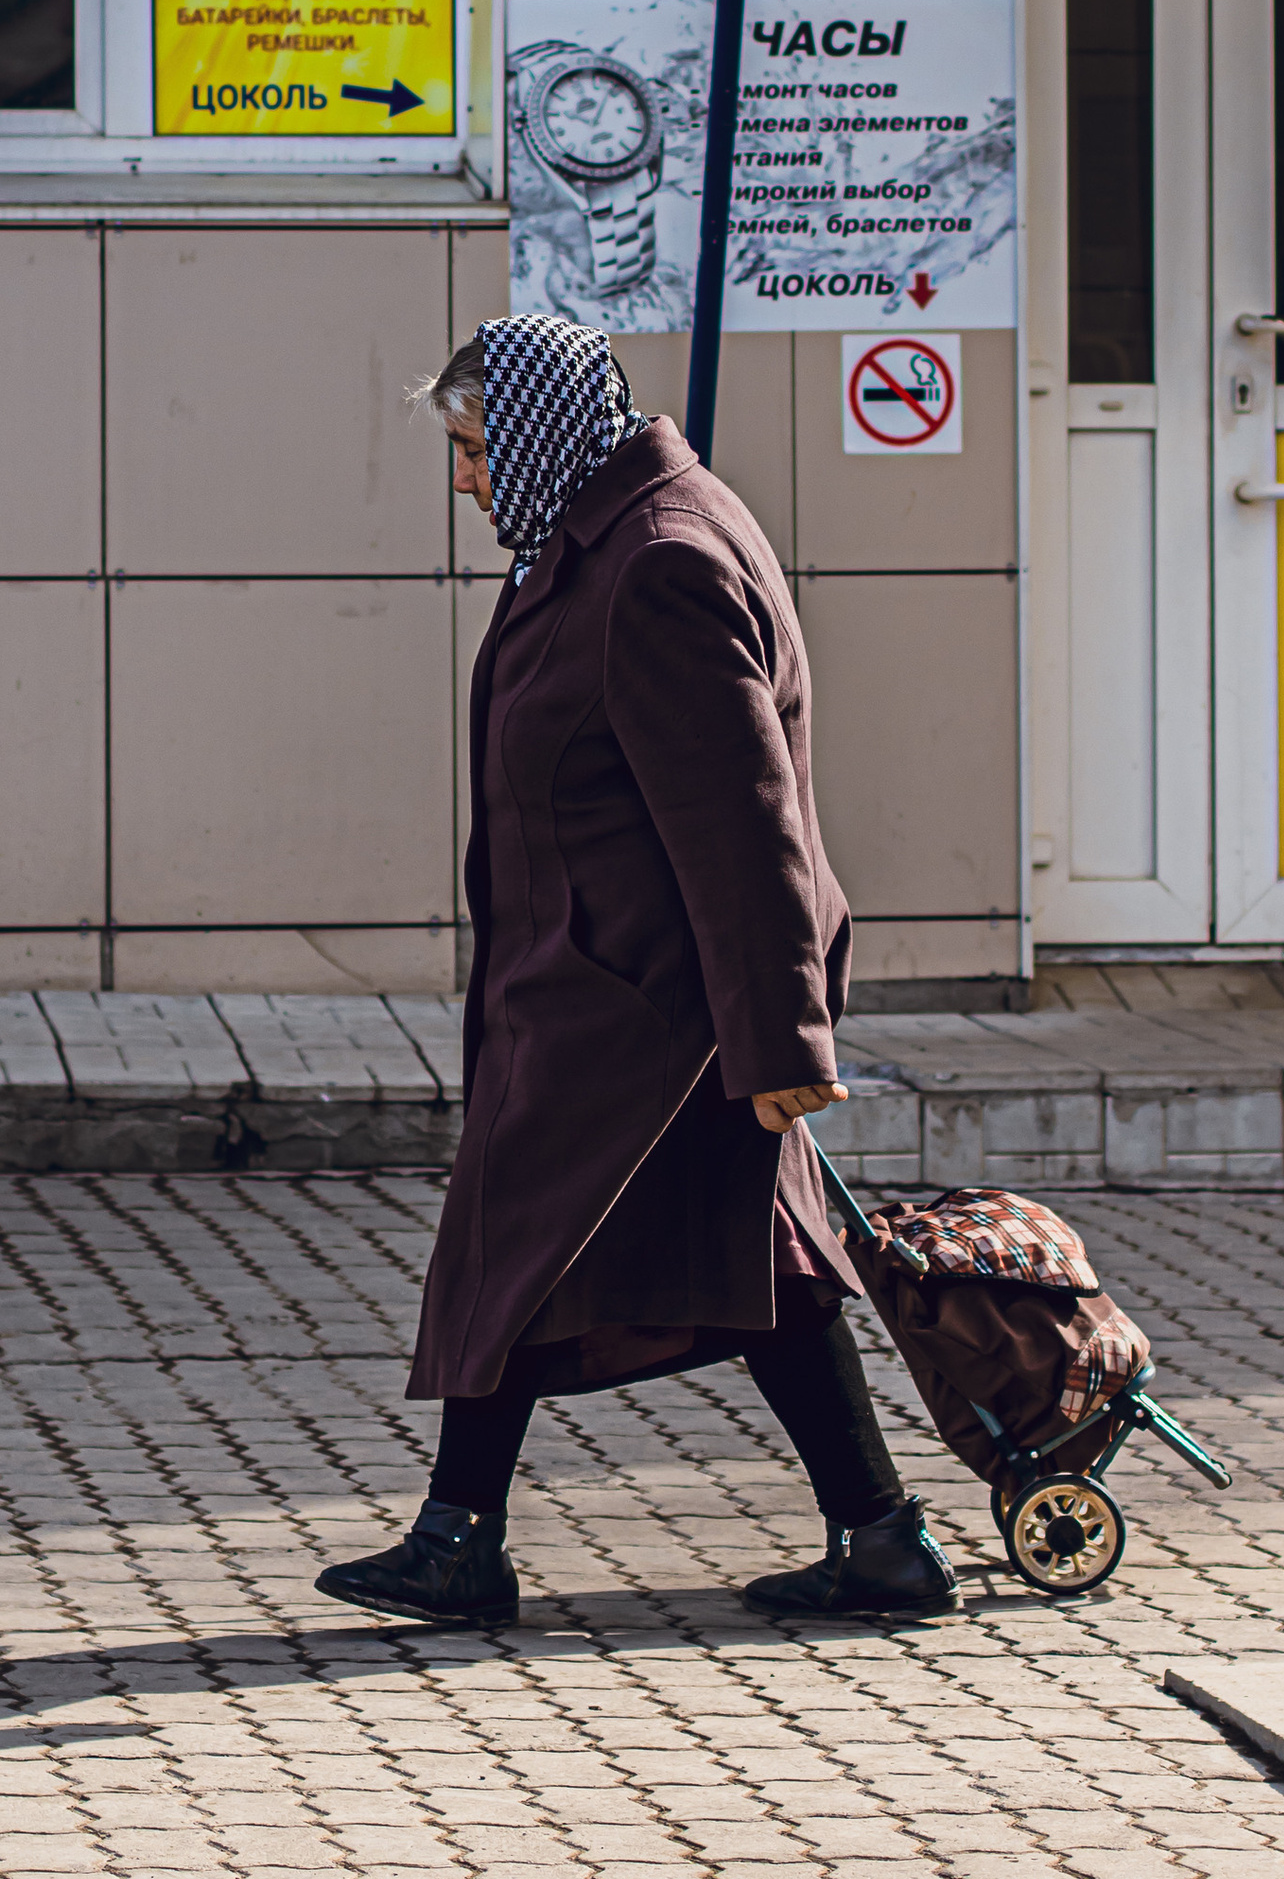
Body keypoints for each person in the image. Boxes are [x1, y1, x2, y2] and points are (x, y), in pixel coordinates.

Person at [316, 313, 956, 1634]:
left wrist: (782, 1041)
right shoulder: (602, 537)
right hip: (611, 987)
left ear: (540, 435)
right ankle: (875, 1535)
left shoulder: (658, 562)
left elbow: (745, 821)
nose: (465, 480)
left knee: (536, 1243)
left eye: (475, 449)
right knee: (736, 1260)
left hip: (643, 1014)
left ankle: (462, 1539)